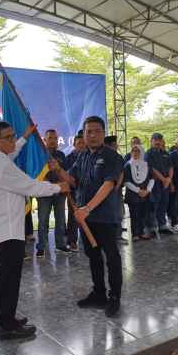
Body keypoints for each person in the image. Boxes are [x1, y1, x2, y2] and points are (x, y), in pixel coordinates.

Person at [0, 121, 70, 340]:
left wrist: (25, 137)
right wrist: (58, 187)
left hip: (3, 228)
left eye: (13, 136)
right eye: (9, 137)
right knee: (9, 280)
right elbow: (30, 186)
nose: (13, 140)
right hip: (8, 231)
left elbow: (11, 154)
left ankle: (3, 319)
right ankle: (7, 326)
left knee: (3, 279)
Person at [50, 115, 124, 317]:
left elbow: (108, 185)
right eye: (89, 132)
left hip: (105, 217)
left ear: (103, 133)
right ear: (84, 135)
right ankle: (99, 293)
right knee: (93, 256)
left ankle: (114, 297)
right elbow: (73, 180)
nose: (93, 135)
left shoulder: (111, 156)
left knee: (112, 257)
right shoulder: (82, 156)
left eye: (97, 131)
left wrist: (87, 208)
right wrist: (59, 170)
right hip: (86, 218)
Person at [36, 129, 71, 257]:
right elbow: (37, 173)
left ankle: (60, 244)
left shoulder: (61, 155)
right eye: (50, 138)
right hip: (44, 193)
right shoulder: (40, 155)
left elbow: (66, 172)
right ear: (45, 140)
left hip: (60, 193)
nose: (53, 141)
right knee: (43, 220)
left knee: (60, 220)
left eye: (55, 138)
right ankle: (41, 247)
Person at [123, 145, 153, 241]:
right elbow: (126, 181)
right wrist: (139, 191)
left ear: (141, 152)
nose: (135, 153)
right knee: (134, 214)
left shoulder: (146, 164)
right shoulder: (128, 165)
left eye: (137, 151)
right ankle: (135, 234)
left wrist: (147, 190)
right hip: (133, 195)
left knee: (143, 214)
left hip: (145, 194)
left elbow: (152, 179)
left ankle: (141, 232)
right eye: (133, 151)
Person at [146, 133, 173, 235]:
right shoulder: (148, 154)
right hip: (154, 183)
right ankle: (151, 227)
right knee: (153, 205)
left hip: (165, 184)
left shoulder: (165, 153)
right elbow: (152, 169)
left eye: (159, 140)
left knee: (164, 203)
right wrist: (164, 180)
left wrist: (169, 179)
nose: (158, 142)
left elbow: (171, 167)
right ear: (151, 141)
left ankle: (162, 225)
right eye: (155, 140)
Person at [66, 133, 86, 251]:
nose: (81, 145)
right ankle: (72, 241)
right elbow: (67, 174)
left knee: (87, 215)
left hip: (87, 192)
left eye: (83, 143)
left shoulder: (89, 156)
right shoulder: (69, 158)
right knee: (73, 217)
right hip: (73, 192)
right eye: (79, 143)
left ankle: (86, 239)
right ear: (74, 144)